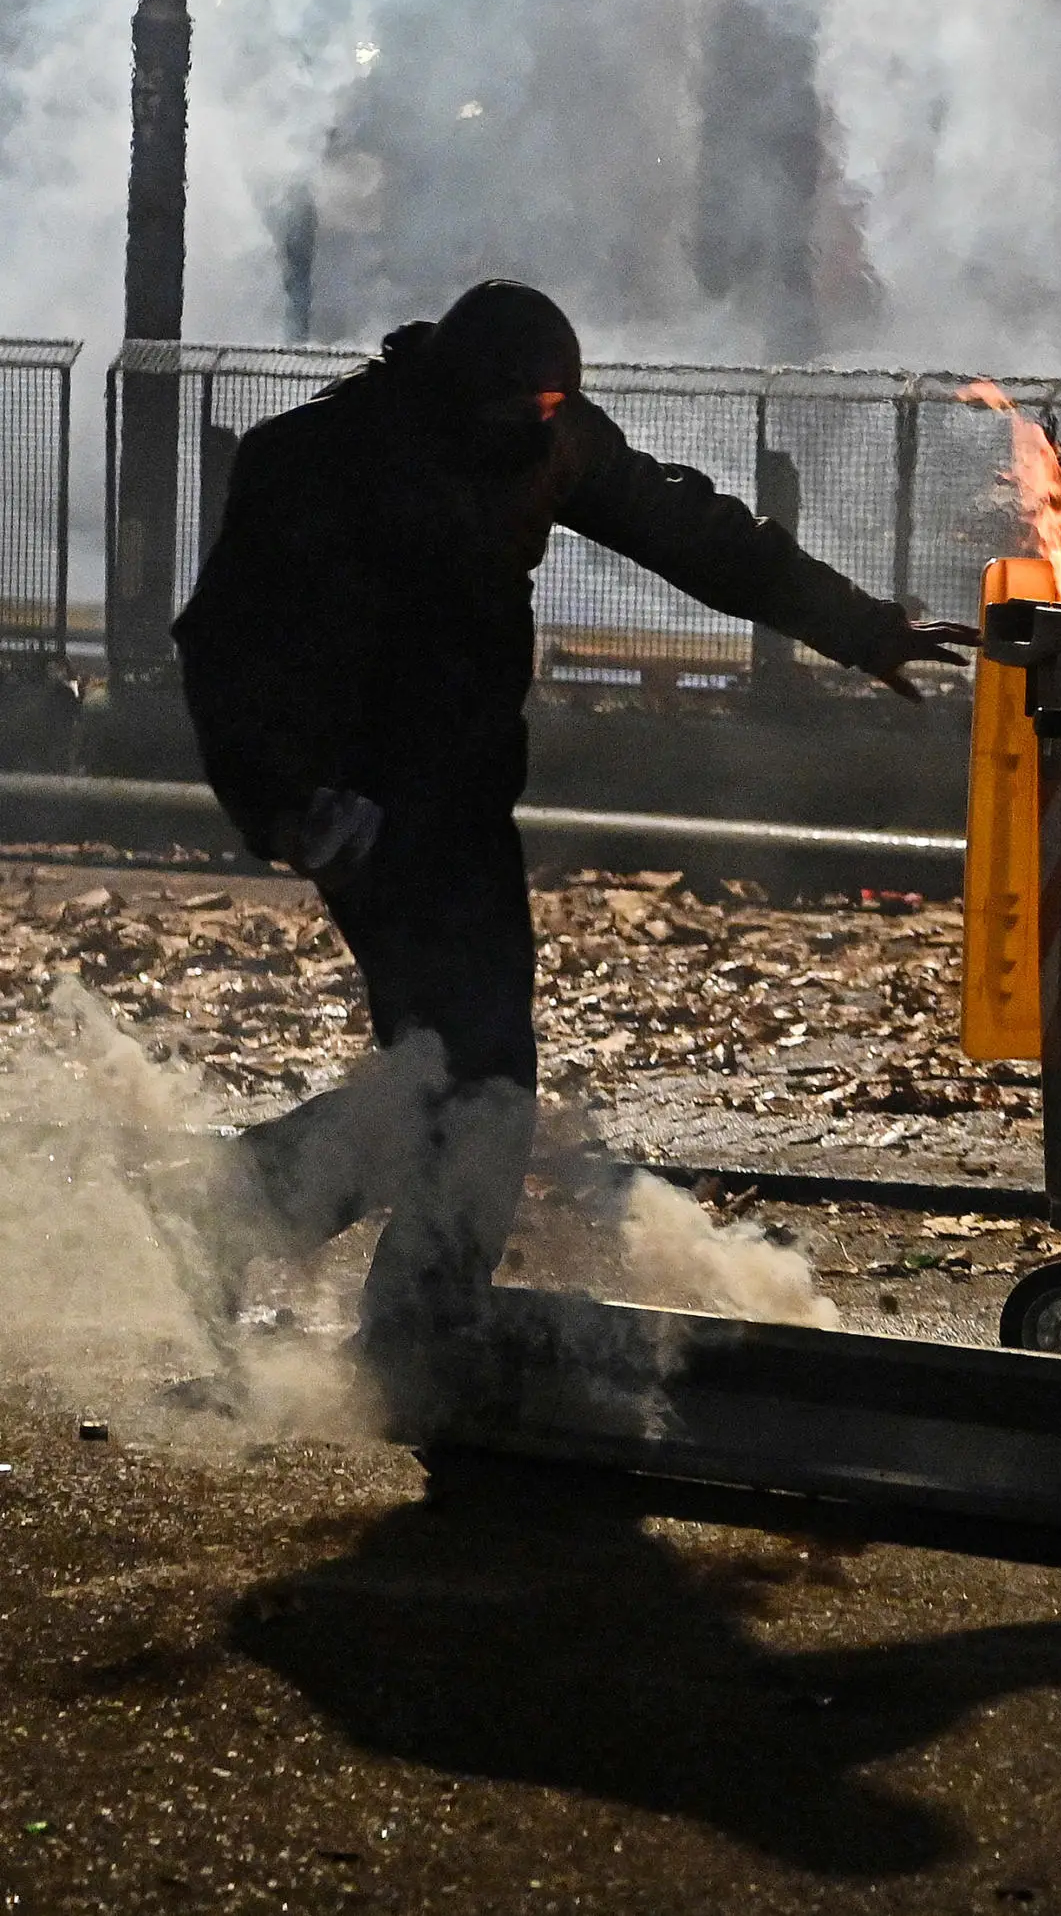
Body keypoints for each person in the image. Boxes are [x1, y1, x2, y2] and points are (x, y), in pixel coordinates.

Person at [173, 279, 974, 1429]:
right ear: (463, 391)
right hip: (367, 816)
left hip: (462, 803)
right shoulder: (319, 459)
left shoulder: (547, 439)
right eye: (527, 407)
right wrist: (286, 804)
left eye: (557, 408)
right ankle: (372, 1293)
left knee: (457, 1072)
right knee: (475, 1074)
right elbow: (224, 649)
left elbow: (692, 530)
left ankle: (318, 1255)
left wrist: (861, 628)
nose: (542, 431)